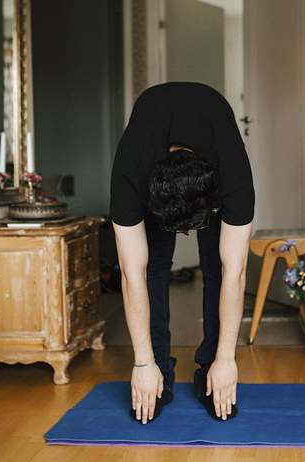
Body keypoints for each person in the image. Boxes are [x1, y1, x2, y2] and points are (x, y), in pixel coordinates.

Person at [110, 82, 254, 424]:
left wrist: (226, 359)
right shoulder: (130, 174)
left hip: (212, 155)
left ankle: (210, 374)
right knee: (153, 267)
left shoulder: (233, 174)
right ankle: (157, 373)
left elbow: (235, 272)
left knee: (217, 269)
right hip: (151, 163)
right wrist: (142, 362)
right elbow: (133, 276)